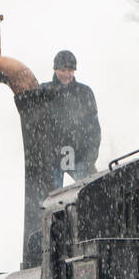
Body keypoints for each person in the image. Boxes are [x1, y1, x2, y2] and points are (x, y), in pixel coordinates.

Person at [42, 49, 100, 185]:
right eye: (63, 70)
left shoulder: (84, 93)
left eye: (70, 70)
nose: (67, 74)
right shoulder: (43, 91)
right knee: (49, 200)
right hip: (52, 160)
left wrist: (89, 159)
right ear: (55, 69)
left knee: (91, 189)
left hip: (79, 157)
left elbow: (94, 129)